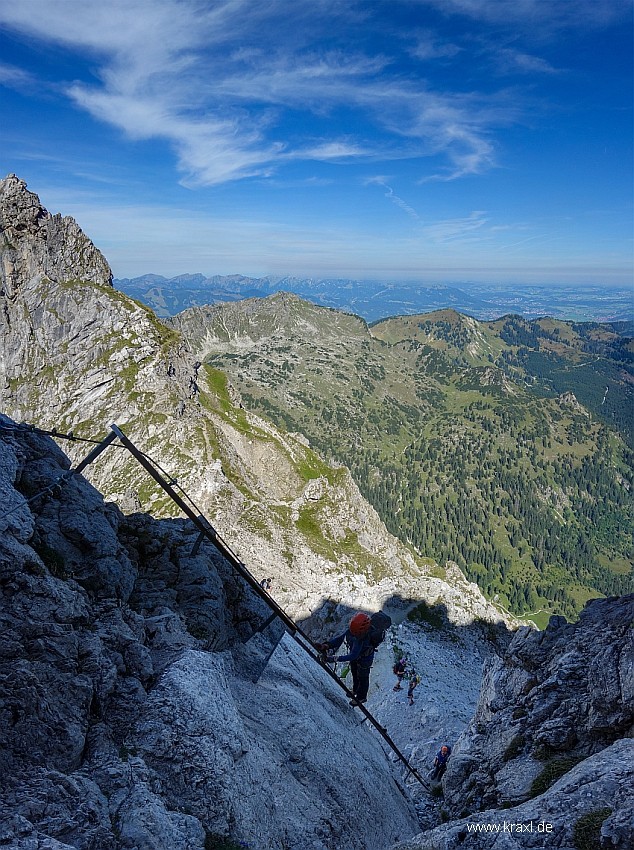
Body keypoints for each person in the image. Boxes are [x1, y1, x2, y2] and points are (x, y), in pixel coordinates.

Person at [321, 612, 375, 706]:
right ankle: (355, 690)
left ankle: (361, 698)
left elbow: (353, 655)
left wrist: (334, 658)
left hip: (365, 659)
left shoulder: (362, 639)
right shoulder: (354, 631)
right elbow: (340, 639)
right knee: (355, 672)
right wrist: (327, 645)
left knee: (363, 677)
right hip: (359, 656)